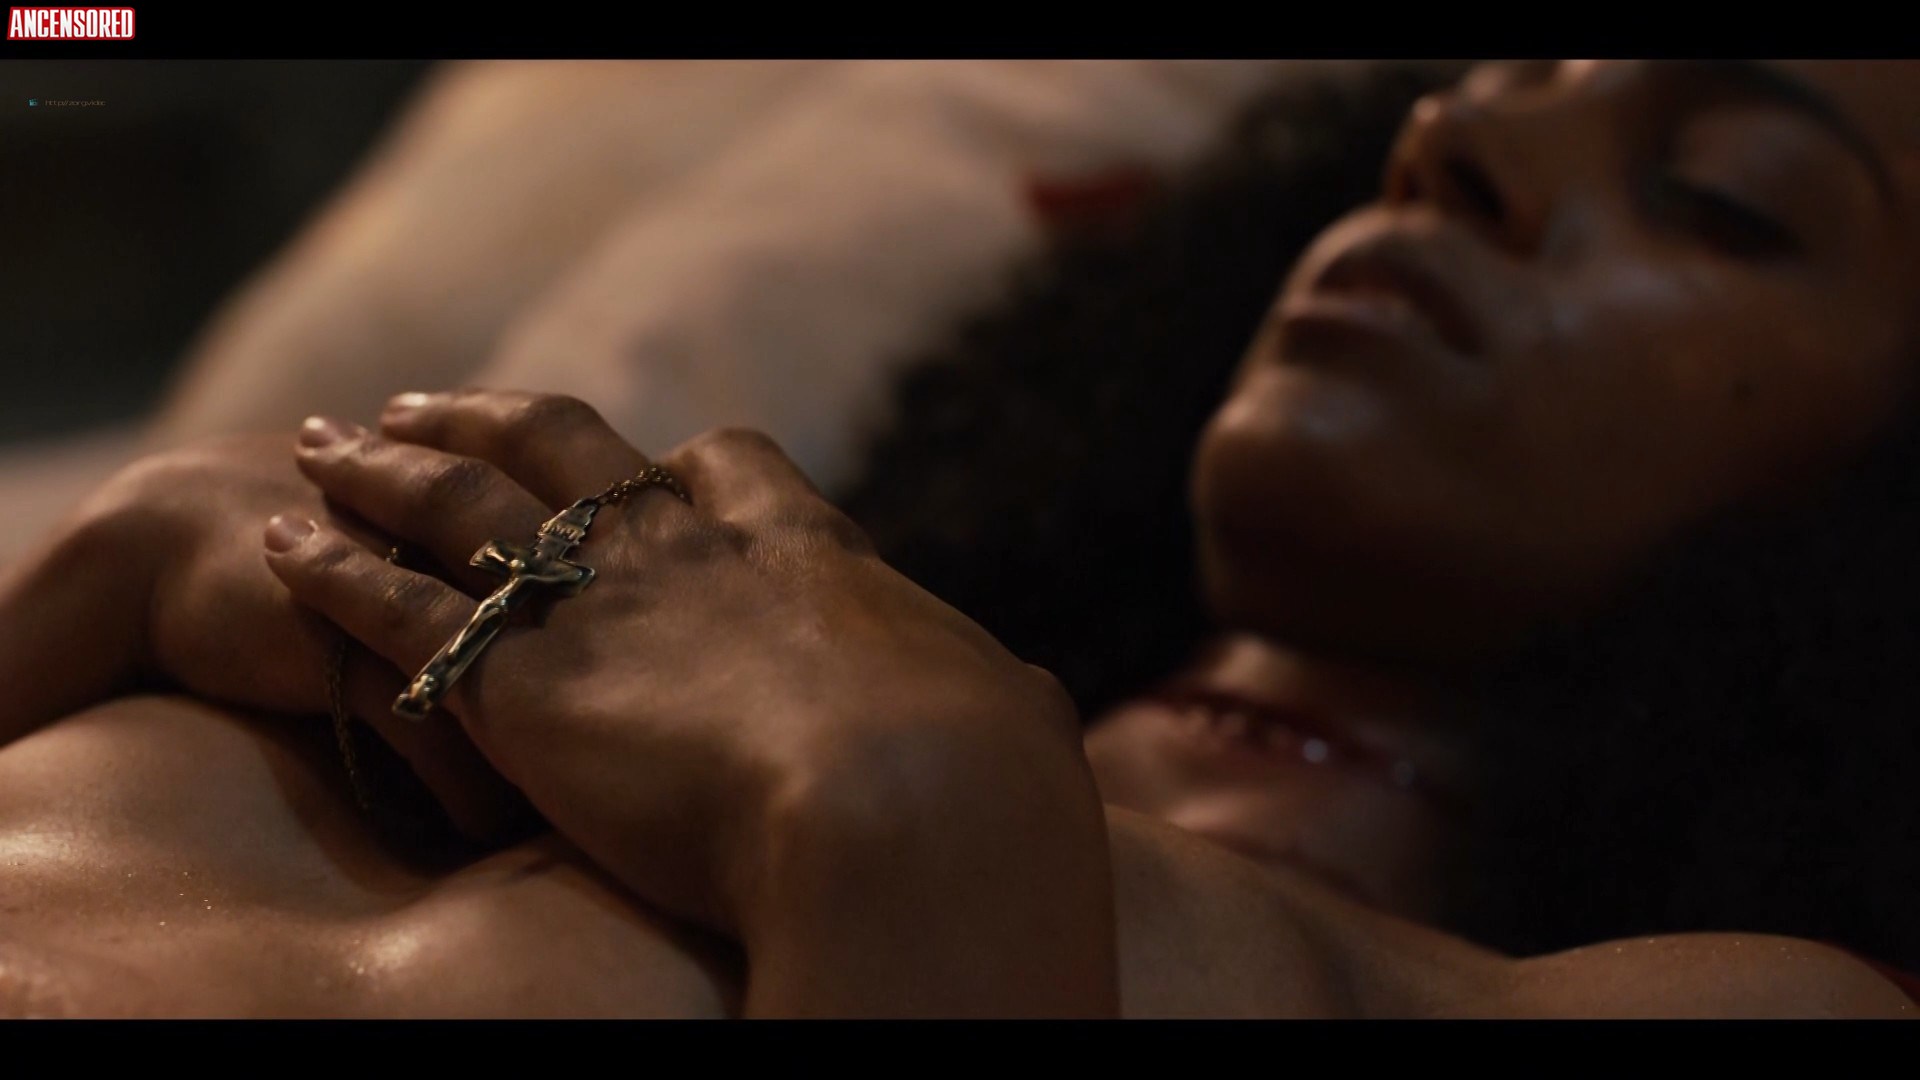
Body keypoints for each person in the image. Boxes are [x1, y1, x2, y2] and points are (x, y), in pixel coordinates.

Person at [4, 58, 1919, 1016]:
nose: (1453, 142)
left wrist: (922, 838)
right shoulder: (652, 617)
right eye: (1480, 82)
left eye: (1723, 198)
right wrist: (126, 553)